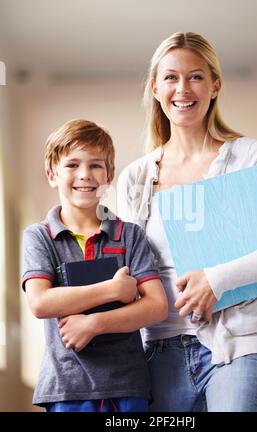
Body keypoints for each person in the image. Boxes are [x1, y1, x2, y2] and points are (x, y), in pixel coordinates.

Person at [117, 32, 257, 412]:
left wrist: (216, 280)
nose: (183, 88)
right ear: (154, 87)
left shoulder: (249, 156)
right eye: (170, 77)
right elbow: (129, 268)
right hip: (159, 350)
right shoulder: (135, 178)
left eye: (196, 76)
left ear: (216, 85)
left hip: (239, 344)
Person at [21, 119, 168, 412]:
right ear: (52, 174)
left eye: (95, 165)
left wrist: (93, 324)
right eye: (72, 165)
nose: (84, 175)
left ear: (109, 175)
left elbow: (156, 307)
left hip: (128, 386)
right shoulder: (39, 236)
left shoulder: (129, 235)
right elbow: (40, 303)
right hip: (66, 388)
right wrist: (113, 289)